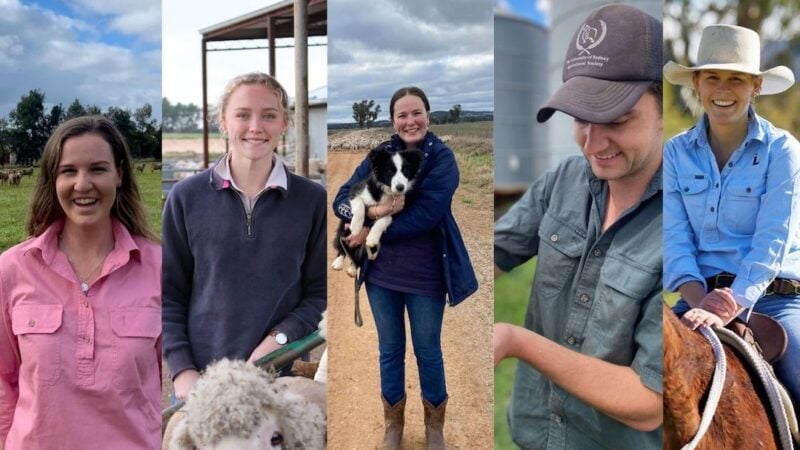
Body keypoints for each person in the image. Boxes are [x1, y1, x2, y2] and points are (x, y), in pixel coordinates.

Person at [493, 5, 664, 449]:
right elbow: (488, 258)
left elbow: (649, 401)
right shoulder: (564, 181)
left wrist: (514, 341)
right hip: (535, 433)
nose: (592, 143)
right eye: (580, 118)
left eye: (616, 120)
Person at [162, 72, 326, 401]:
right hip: (203, 384)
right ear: (223, 121)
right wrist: (183, 372)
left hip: (282, 380)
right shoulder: (185, 198)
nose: (255, 127)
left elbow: (320, 293)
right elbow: (167, 295)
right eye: (242, 115)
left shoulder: (311, 200)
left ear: (285, 123)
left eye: (269, 115)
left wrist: (280, 340)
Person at [0, 116, 161, 449]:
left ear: (119, 174)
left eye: (98, 169)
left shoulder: (158, 267)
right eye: (68, 171)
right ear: (52, 179)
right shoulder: (11, 269)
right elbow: (2, 380)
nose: (83, 184)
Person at [333, 86, 478, 449]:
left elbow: (427, 216)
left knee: (428, 350)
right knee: (390, 349)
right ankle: (393, 426)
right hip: (381, 275)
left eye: (417, 113)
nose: (410, 121)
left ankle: (434, 429)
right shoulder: (379, 154)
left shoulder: (442, 159)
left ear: (429, 116)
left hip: (426, 274)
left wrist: (371, 227)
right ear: (393, 119)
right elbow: (341, 201)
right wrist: (375, 215)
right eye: (402, 114)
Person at [663, 24, 800, 405]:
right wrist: (701, 302)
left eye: (737, 79)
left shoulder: (782, 150)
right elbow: (674, 239)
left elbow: (774, 240)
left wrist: (731, 304)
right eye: (713, 77)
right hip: (696, 297)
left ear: (755, 86)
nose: (723, 89)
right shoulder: (674, 153)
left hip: (774, 300)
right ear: (697, 83)